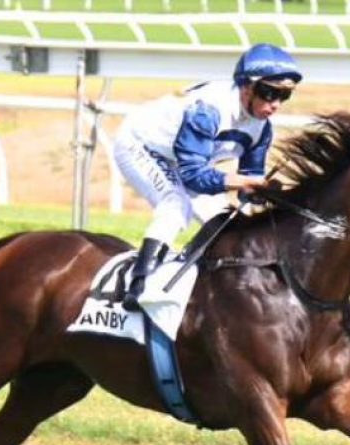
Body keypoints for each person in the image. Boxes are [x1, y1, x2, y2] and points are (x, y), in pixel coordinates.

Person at [112, 43, 303, 310]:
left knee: (224, 220)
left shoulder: (262, 128)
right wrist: (245, 183)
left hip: (186, 161)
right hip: (141, 145)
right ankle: (138, 285)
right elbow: (194, 177)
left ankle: (193, 277)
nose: (275, 104)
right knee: (175, 205)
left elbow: (249, 186)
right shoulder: (208, 111)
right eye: (269, 93)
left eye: (284, 96)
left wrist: (264, 193)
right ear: (246, 86)